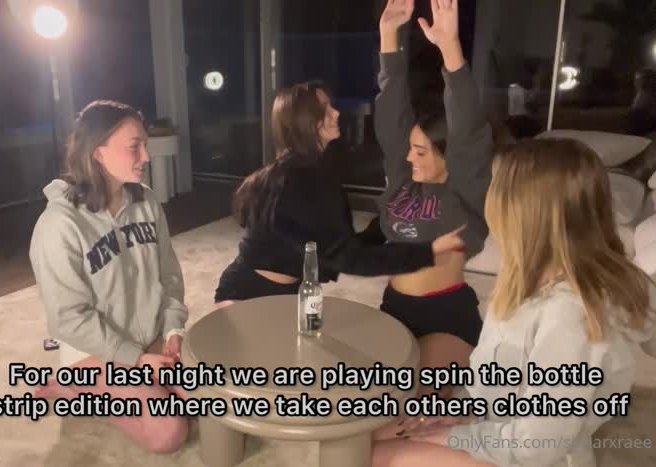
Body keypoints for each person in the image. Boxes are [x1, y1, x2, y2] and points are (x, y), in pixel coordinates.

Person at [372, 138, 656, 467]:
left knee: (365, 454)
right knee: (363, 430)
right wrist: (461, 413)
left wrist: (455, 435)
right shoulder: (530, 277)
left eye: (493, 190)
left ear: (521, 210)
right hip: (494, 423)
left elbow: (537, 446)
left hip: (528, 456)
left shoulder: (568, 314)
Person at [213, 80, 466, 307]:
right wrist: (429, 252)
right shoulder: (297, 179)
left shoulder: (312, 168)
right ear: (304, 121)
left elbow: (340, 245)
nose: (336, 113)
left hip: (288, 292)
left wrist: (389, 219)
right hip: (248, 293)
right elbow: (349, 259)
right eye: (324, 108)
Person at [29, 100, 190, 453]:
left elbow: (170, 276)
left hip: (150, 337)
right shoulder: (58, 226)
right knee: (168, 433)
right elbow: (68, 318)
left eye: (145, 144)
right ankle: (71, 386)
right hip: (95, 351)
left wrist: (173, 329)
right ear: (98, 152)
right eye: (135, 146)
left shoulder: (147, 202)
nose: (146, 156)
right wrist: (135, 359)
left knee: (211, 399)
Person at [374, 0, 491, 400]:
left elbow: (468, 127)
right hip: (393, 307)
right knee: (356, 401)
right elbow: (391, 116)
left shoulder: (465, 192)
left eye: (422, 151)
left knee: (400, 406)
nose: (410, 158)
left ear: (449, 156)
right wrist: (388, 36)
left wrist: (450, 48)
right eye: (411, 149)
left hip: (445, 316)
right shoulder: (404, 182)